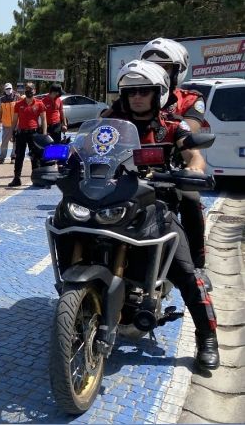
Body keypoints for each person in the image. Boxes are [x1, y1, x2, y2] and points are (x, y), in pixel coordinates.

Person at [103, 59, 219, 369]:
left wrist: (193, 170)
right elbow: (84, 147)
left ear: (159, 93)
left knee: (185, 271)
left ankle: (206, 336)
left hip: (156, 206)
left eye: (144, 91)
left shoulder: (172, 124)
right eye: (131, 92)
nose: (136, 97)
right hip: (112, 202)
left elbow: (193, 154)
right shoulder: (110, 119)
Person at [103, 38, 210, 289]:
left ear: (178, 71)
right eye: (151, 65)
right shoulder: (133, 92)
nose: (158, 70)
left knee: (192, 198)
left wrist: (190, 162)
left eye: (165, 67)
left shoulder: (189, 98)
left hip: (170, 169)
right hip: (126, 169)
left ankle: (197, 264)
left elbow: (188, 131)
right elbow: (102, 126)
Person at [8, 84, 46, 187]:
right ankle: (16, 179)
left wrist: (44, 134)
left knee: (35, 157)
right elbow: (15, 120)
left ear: (34, 90)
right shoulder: (18, 104)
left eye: (30, 89)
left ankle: (36, 179)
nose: (28, 91)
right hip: (21, 133)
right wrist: (12, 132)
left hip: (34, 133)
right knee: (19, 156)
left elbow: (43, 119)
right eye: (27, 89)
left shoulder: (39, 104)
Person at [0, 82, 18, 164]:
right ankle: (2, 157)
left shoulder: (17, 98)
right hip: (6, 125)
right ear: (4, 90)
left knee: (16, 142)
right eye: (7, 89)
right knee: (4, 142)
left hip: (16, 124)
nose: (8, 90)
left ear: (12, 89)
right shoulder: (0, 99)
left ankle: (13, 157)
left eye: (10, 89)